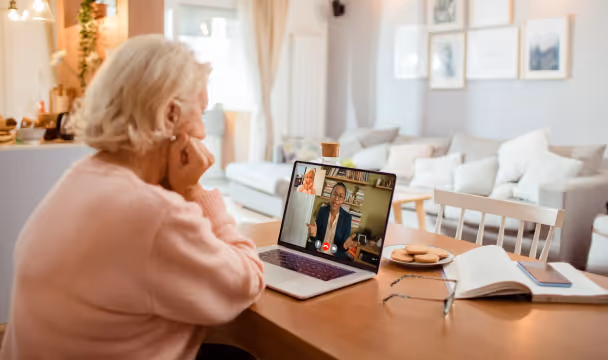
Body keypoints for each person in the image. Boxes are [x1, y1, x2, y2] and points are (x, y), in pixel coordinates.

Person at [0, 35, 264, 360]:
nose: (202, 132)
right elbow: (246, 282)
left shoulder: (81, 176)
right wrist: (194, 192)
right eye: (201, 112)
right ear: (170, 115)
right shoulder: (154, 215)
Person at [306, 183, 357, 259]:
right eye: (334, 194)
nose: (336, 199)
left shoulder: (347, 218)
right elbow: (316, 239)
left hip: (334, 258)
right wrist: (313, 235)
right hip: (317, 253)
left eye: (340, 196)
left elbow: (342, 248)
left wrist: (344, 246)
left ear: (343, 200)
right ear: (330, 195)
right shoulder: (322, 211)